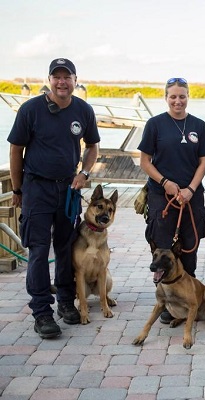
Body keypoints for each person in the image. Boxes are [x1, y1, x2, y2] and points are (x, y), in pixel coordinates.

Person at [7, 58, 100, 338]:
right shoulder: (30, 110)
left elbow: (93, 147)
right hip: (37, 188)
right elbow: (15, 151)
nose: (62, 82)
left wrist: (84, 173)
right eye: (56, 77)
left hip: (68, 189)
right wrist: (17, 189)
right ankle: (42, 312)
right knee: (38, 250)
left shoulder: (83, 110)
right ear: (49, 80)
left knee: (64, 247)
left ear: (75, 79)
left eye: (67, 77)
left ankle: (65, 302)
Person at [138, 77, 205, 324]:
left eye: (182, 96)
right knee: (162, 249)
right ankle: (165, 301)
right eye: (173, 96)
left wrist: (191, 188)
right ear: (166, 97)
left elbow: (204, 161)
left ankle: (188, 300)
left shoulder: (199, 126)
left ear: (188, 97)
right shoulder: (155, 125)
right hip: (163, 197)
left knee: (190, 246)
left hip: (191, 197)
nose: (177, 101)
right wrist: (165, 184)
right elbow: (145, 162)